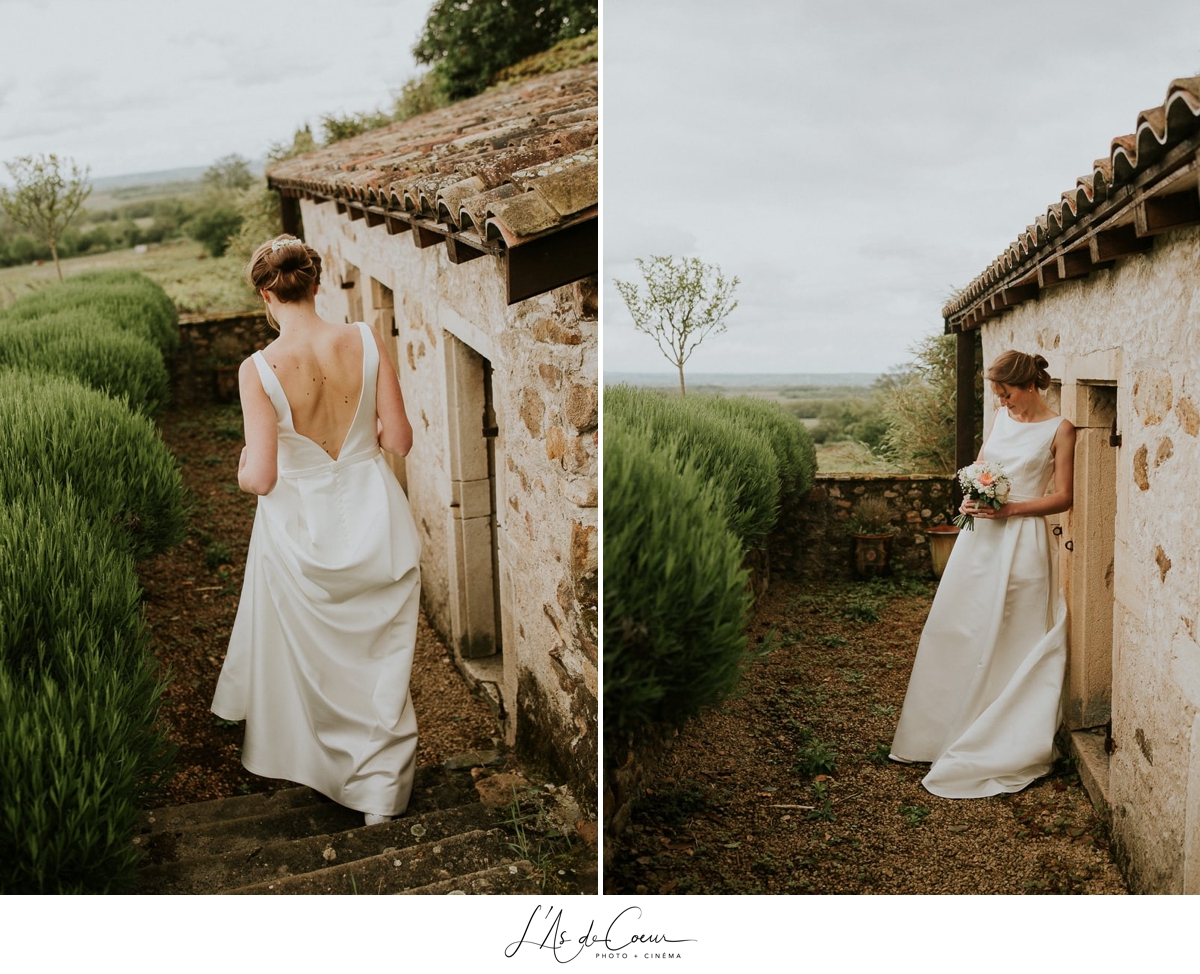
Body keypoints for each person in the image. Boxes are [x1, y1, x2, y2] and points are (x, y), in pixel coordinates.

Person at [212, 234, 421, 826]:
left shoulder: (258, 370)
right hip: (375, 515)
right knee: (381, 656)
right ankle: (382, 793)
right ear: (316, 284)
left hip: (303, 532)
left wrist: (242, 464)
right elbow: (399, 440)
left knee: (321, 661)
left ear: (264, 295)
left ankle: (337, 774)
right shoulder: (363, 339)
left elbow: (260, 476)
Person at [889, 349, 1076, 798]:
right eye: (996, 393)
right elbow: (981, 467)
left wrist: (1010, 508)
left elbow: (1064, 497)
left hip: (1024, 543)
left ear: (1028, 385)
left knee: (1015, 629)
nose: (1002, 401)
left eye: (1006, 392)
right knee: (961, 624)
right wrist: (971, 498)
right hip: (980, 539)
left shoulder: (1061, 429)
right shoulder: (1001, 419)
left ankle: (1002, 733)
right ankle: (941, 729)